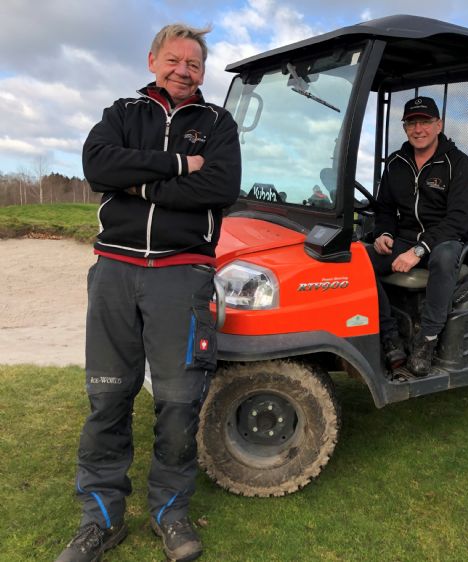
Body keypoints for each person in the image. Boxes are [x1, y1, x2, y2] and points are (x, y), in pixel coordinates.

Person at [56, 24, 241, 562]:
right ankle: (102, 518)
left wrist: (133, 181)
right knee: (108, 397)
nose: (184, 70)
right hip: (114, 271)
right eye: (174, 59)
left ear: (203, 72)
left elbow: (219, 188)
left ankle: (170, 513)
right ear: (153, 60)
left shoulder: (218, 124)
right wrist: (179, 165)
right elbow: (98, 166)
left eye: (194, 64)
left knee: (180, 403)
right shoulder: (122, 112)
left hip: (181, 277)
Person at [367, 96, 468, 377]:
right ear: (404, 127)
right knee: (357, 259)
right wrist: (384, 233)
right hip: (404, 239)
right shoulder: (396, 162)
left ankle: (426, 340)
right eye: (411, 123)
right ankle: (389, 335)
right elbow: (385, 209)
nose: (418, 129)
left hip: (443, 240)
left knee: (445, 256)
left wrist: (418, 250)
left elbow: (458, 220)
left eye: (425, 122)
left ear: (438, 125)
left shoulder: (458, 163)